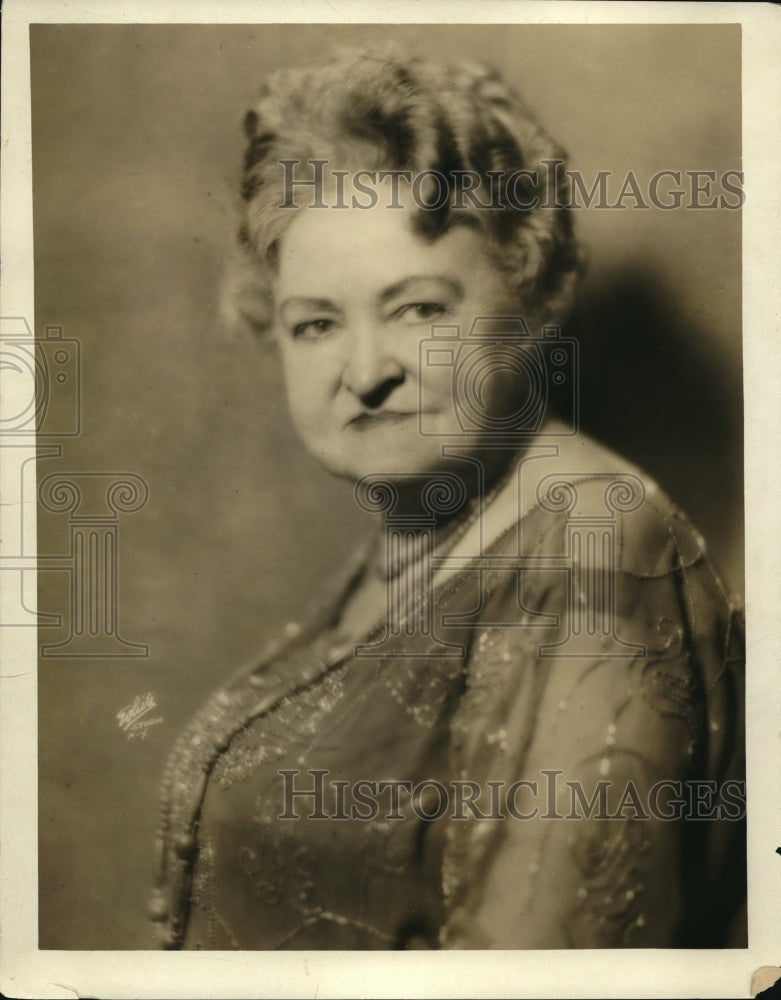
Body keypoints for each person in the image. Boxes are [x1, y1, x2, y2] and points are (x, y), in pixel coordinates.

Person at [149, 49, 745, 950]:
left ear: (532, 292)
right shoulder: (410, 546)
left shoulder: (593, 551)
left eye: (418, 310)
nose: (365, 371)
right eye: (316, 323)